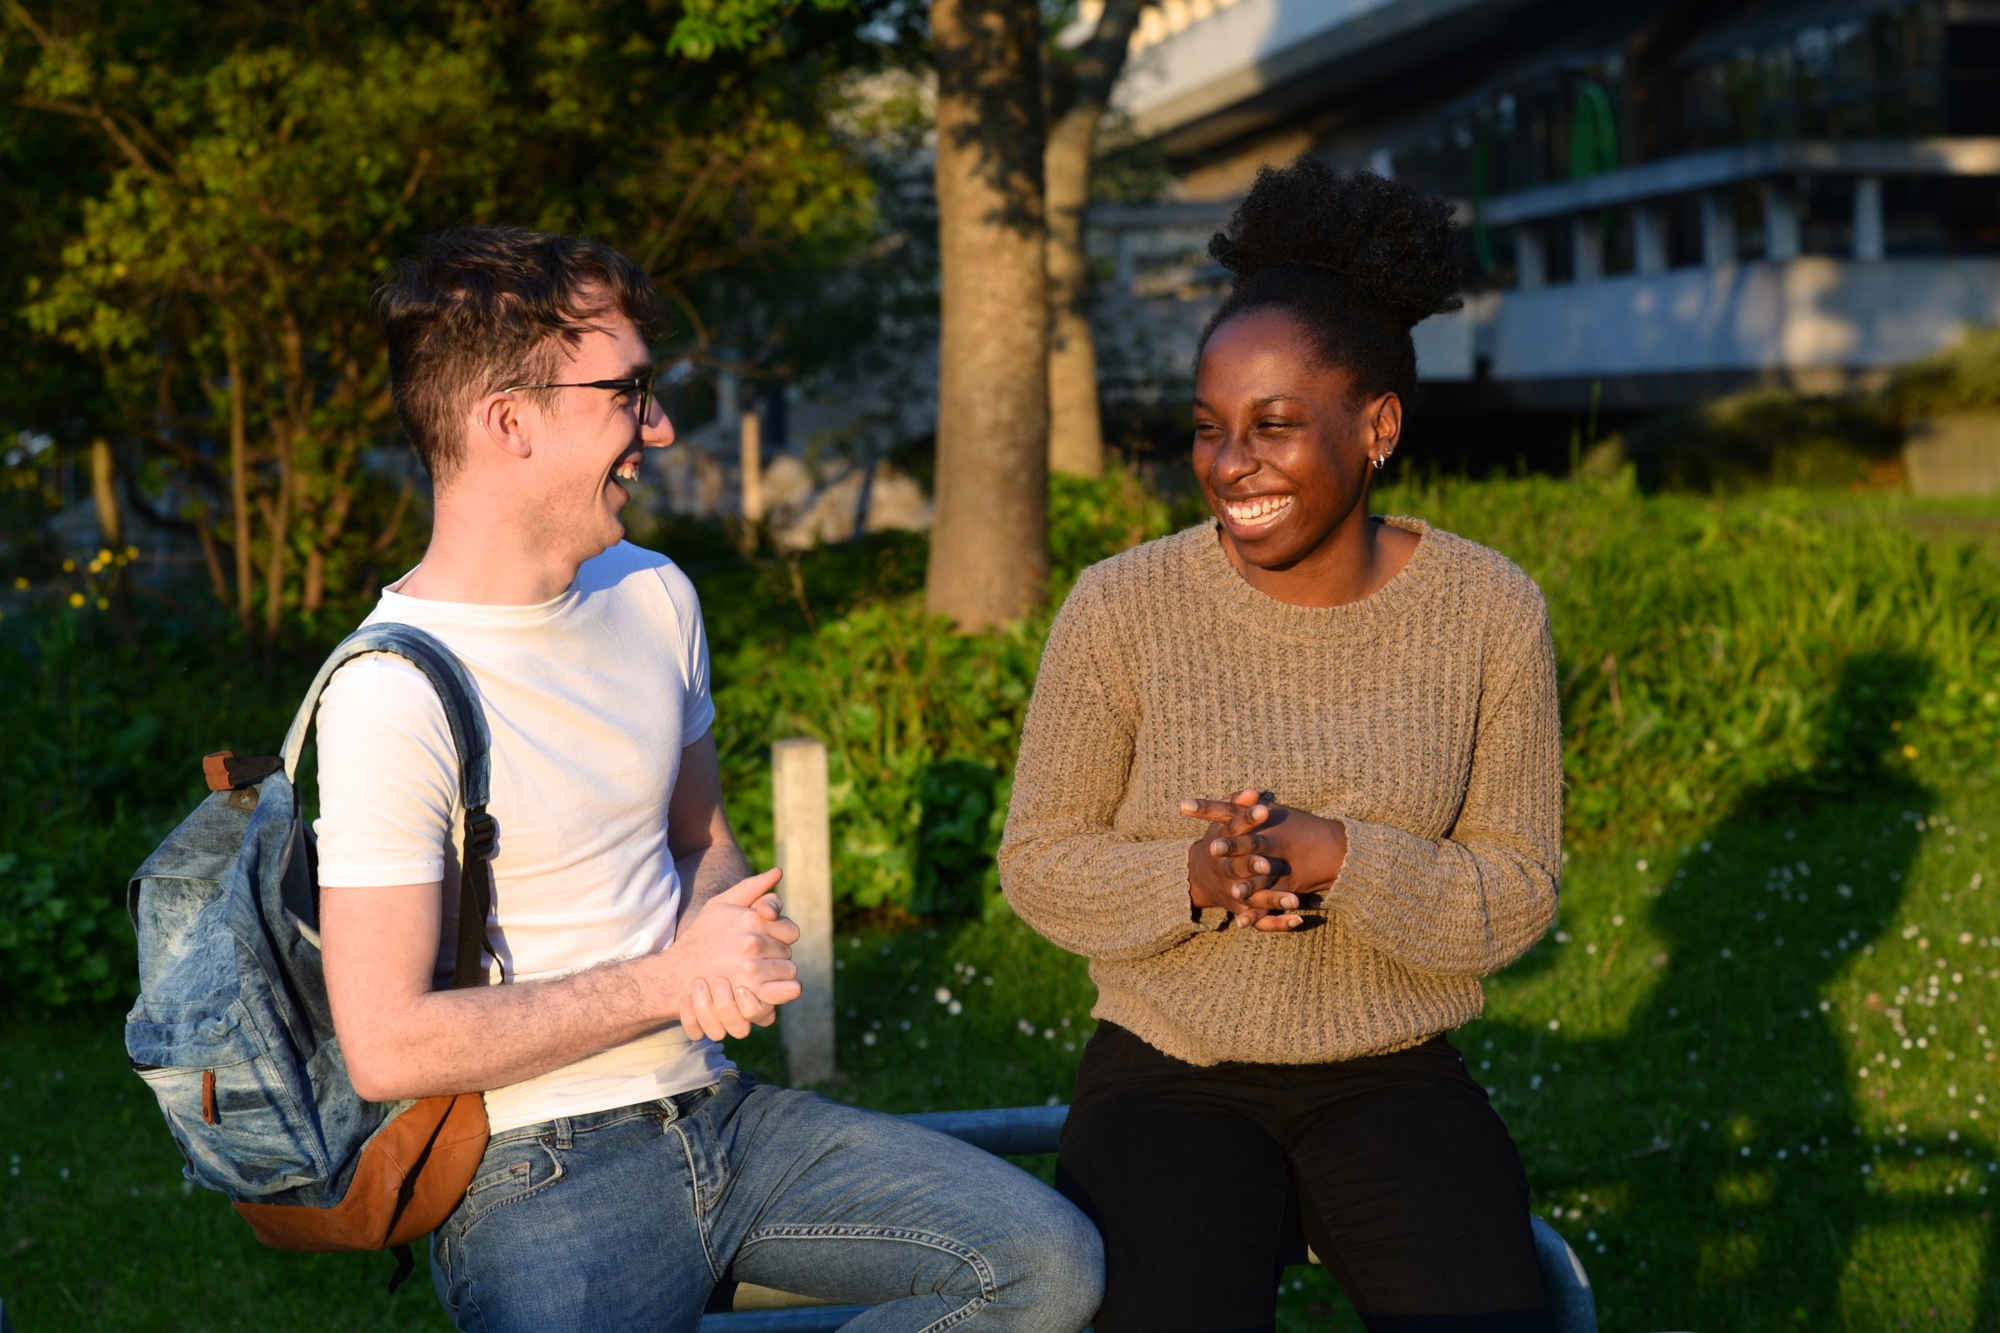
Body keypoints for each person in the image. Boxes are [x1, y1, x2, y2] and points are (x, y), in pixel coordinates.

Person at [314, 225, 1102, 1333]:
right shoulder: (390, 690)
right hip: (533, 1177)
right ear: (508, 422)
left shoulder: (654, 594)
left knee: (1045, 1265)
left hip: (724, 1120)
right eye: (627, 394)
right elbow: (387, 1041)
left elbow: (699, 836)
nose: (660, 427)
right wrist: (665, 978)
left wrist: (724, 927)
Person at [999, 159, 1561, 1333]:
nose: (1228, 466)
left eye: (1273, 427)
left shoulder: (1488, 609)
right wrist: (1191, 879)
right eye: (1208, 430)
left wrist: (1340, 857)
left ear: (1377, 428)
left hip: (1390, 1064)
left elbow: (1512, 894)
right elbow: (1039, 858)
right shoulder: (1119, 606)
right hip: (1166, 1070)